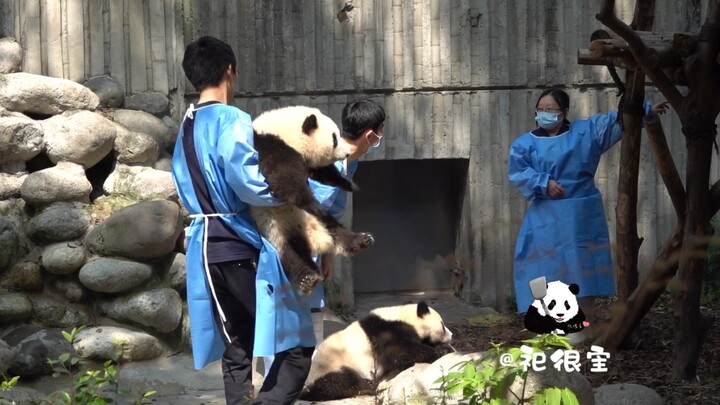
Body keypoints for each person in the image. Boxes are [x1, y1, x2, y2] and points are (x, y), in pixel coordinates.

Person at [170, 36, 315, 405]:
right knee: (295, 345)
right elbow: (248, 182)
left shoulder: (185, 124)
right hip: (239, 244)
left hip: (205, 251)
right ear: (229, 70)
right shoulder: (232, 118)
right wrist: (290, 190)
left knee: (237, 344)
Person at [507, 88, 669, 327]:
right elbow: (519, 171)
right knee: (540, 264)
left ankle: (580, 322)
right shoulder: (524, 144)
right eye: (540, 110)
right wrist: (543, 182)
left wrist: (644, 110)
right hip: (545, 217)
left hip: (581, 214)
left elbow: (617, 120)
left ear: (564, 112)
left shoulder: (585, 133)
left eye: (550, 110)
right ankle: (545, 323)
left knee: (580, 266)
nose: (544, 114)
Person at [262, 98, 386, 374]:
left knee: (312, 306)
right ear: (370, 134)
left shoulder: (348, 164)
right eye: (380, 131)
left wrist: (328, 252)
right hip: (289, 243)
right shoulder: (326, 161)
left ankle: (308, 369)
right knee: (284, 313)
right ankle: (279, 377)